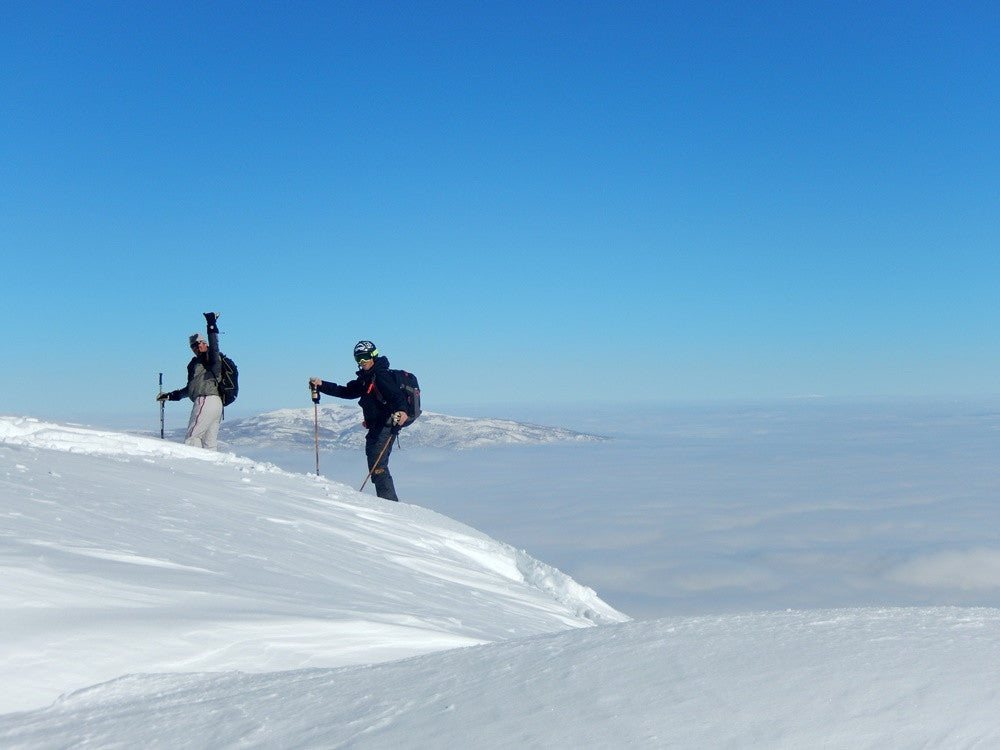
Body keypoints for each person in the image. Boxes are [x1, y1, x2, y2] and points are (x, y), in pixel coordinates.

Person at [310, 340, 409, 501]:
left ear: (373, 355)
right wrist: (322, 385)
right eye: (358, 359)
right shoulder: (368, 378)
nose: (361, 362)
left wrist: (402, 411)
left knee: (378, 467)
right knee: (376, 464)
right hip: (377, 426)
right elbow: (347, 392)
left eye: (364, 357)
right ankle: (388, 503)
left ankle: (391, 506)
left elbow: (396, 396)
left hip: (386, 425)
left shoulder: (381, 376)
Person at [157, 312, 224, 450]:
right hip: (215, 404)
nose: (196, 347)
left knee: (192, 437)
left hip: (206, 399)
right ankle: (213, 470)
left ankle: (193, 468)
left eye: (199, 343)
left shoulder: (212, 358)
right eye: (193, 346)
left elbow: (215, 345)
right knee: (209, 443)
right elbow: (191, 389)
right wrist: (170, 396)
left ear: (205, 343)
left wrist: (211, 324)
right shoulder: (196, 364)